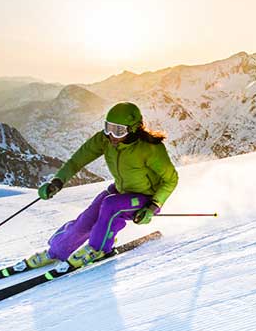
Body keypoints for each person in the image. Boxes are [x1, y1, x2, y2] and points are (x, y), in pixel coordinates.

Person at [27, 101, 179, 269]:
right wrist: (57, 182)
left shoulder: (150, 149)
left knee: (111, 205)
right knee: (87, 219)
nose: (112, 135)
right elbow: (77, 160)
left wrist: (153, 207)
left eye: (118, 130)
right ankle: (56, 251)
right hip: (121, 191)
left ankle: (98, 248)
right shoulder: (104, 140)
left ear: (133, 128)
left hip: (145, 198)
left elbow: (170, 179)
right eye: (108, 128)